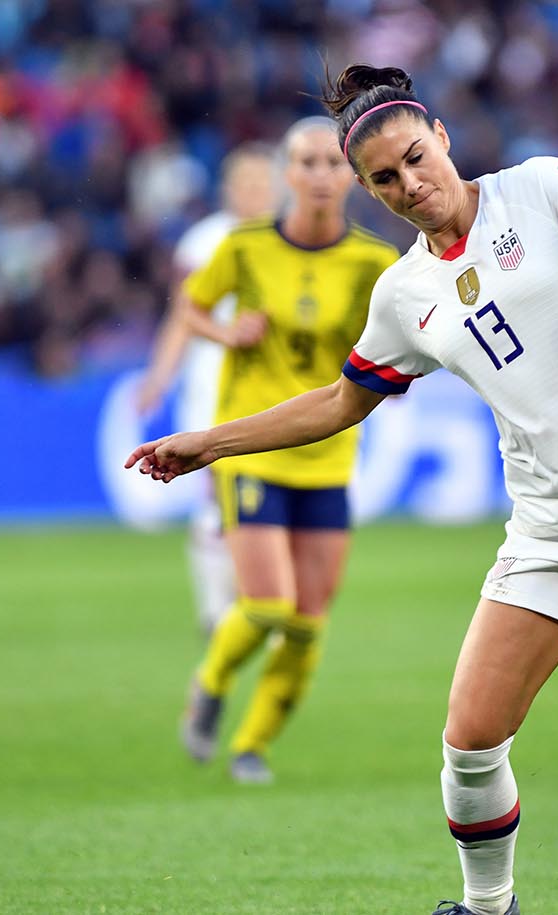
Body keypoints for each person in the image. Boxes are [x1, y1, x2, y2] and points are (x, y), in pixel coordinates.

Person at [129, 64, 558, 915]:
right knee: (471, 740)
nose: (410, 184)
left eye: (415, 158)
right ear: (369, 192)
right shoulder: (403, 296)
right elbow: (341, 401)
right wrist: (207, 444)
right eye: (385, 179)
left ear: (442, 136)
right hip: (552, 526)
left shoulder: (541, 188)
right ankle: (489, 908)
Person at [170, 116, 399, 785]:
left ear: (352, 178)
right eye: (307, 162)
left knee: (306, 622)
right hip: (252, 446)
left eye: (334, 163)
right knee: (267, 604)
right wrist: (223, 332)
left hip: (328, 454)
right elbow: (188, 306)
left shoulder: (373, 262)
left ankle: (251, 744)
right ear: (287, 175)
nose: (322, 175)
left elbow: (390, 336)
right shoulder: (243, 246)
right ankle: (210, 680)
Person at [135, 142, 278, 634]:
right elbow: (184, 315)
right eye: (247, 184)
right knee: (218, 494)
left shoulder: (290, 236)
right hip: (214, 382)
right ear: (229, 189)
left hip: (276, 386)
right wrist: (160, 375)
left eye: (264, 184)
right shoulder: (206, 240)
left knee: (265, 493)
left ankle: (254, 597)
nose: (256, 194)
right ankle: (216, 608)